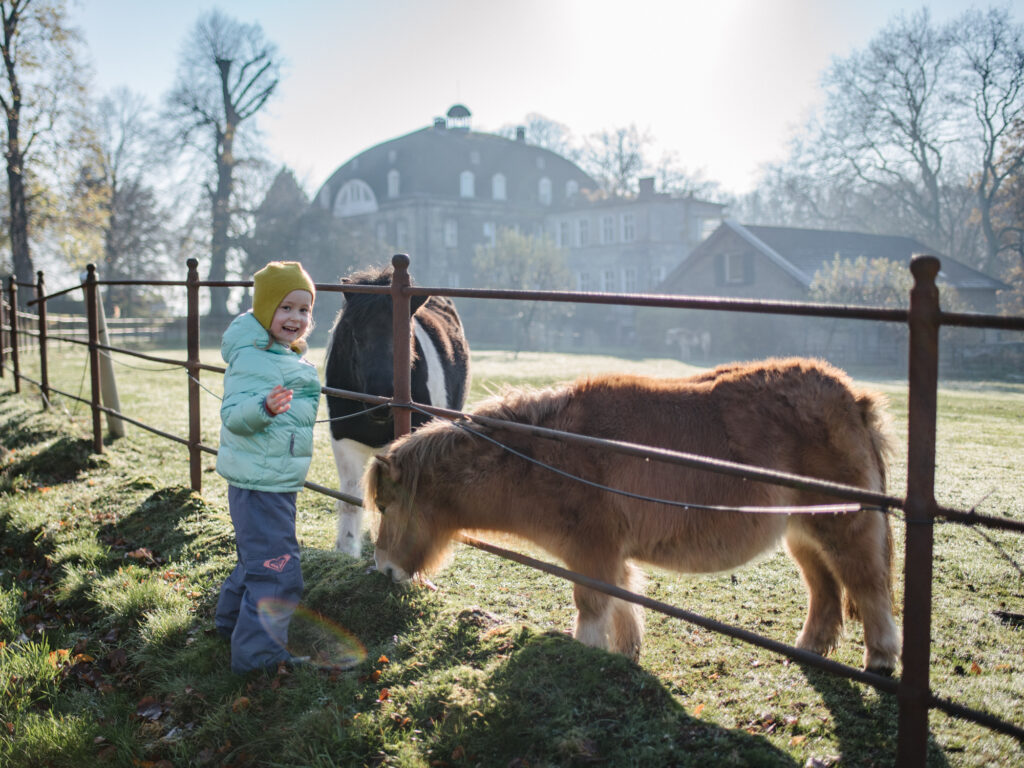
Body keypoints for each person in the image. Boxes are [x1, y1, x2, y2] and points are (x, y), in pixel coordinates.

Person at [214, 261, 320, 673]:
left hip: (270, 479)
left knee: (257, 559)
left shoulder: (277, 354)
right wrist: (264, 407)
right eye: (285, 308)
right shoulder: (254, 359)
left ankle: (229, 626)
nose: (295, 318)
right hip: (262, 483)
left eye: (304, 310)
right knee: (279, 571)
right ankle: (260, 660)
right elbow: (234, 414)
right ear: (264, 311)